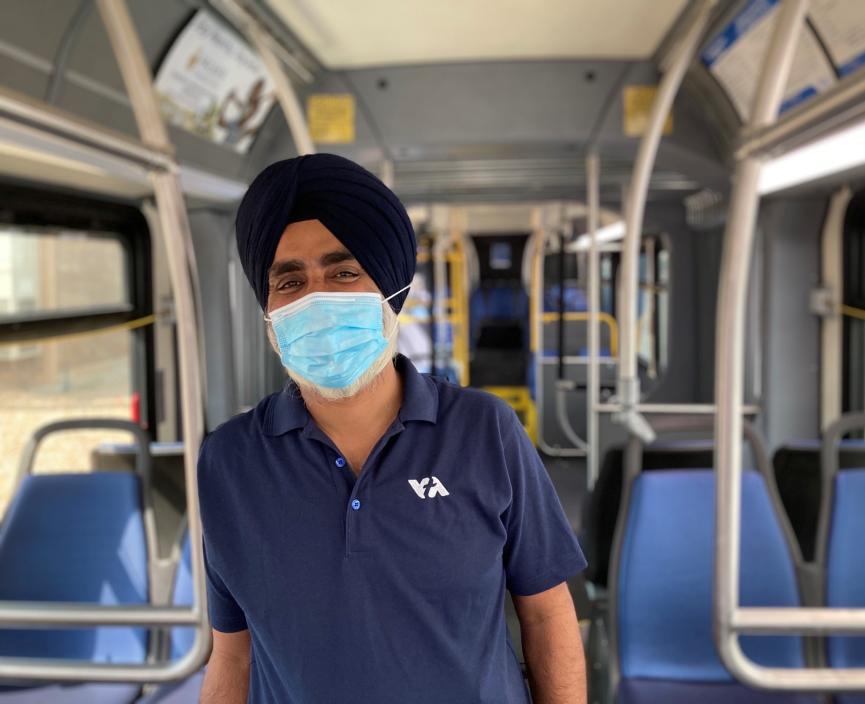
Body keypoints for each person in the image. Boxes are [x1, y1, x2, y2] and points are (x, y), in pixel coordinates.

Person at [198, 153, 587, 704]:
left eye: (343, 272)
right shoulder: (229, 461)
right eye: (290, 280)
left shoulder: (484, 431)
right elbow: (233, 653)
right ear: (268, 310)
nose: (316, 299)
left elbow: (547, 613)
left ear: (391, 290)